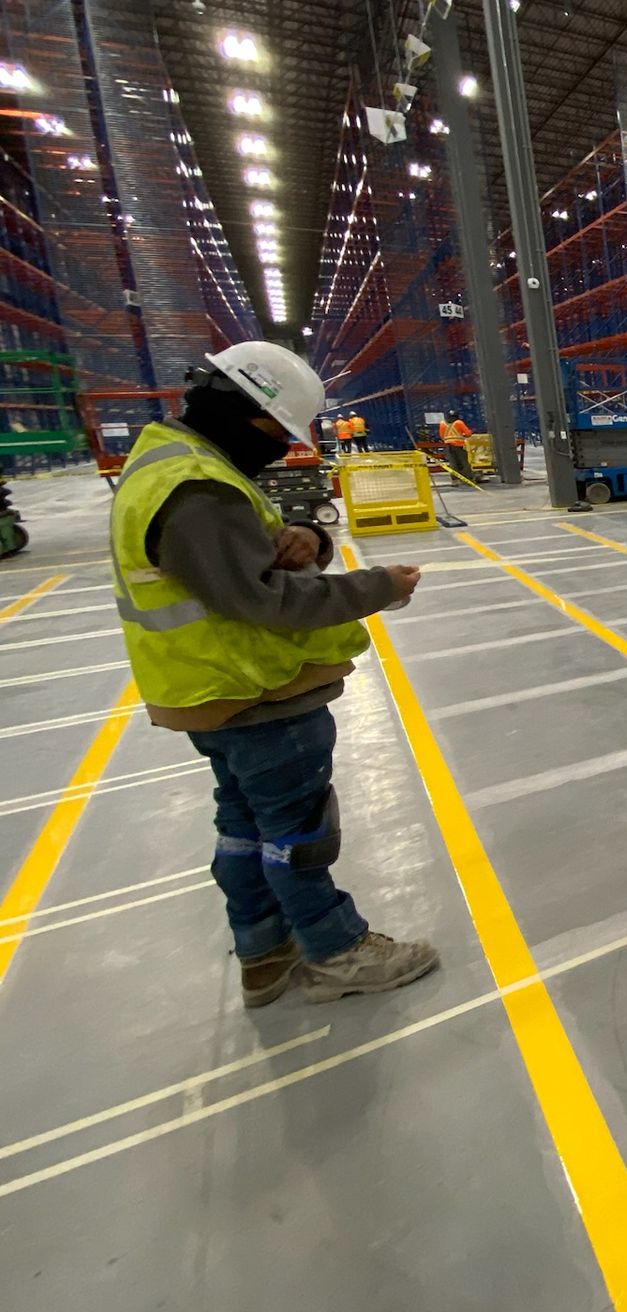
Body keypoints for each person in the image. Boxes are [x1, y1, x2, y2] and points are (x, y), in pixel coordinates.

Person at [108, 342, 439, 1007]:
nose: (282, 449)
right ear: (243, 410)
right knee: (298, 832)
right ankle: (336, 951)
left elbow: (244, 565)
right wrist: (376, 587)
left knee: (245, 824)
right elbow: (267, 601)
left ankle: (263, 950)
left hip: (216, 693)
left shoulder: (172, 466)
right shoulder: (195, 489)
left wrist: (308, 540)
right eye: (276, 432)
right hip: (257, 695)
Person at [441, 412, 473, 481]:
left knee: (453, 463)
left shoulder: (442, 424)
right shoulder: (459, 423)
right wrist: (464, 435)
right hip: (459, 446)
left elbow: (442, 436)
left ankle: (455, 479)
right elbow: (468, 433)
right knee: (463, 462)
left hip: (448, 446)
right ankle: (468, 478)